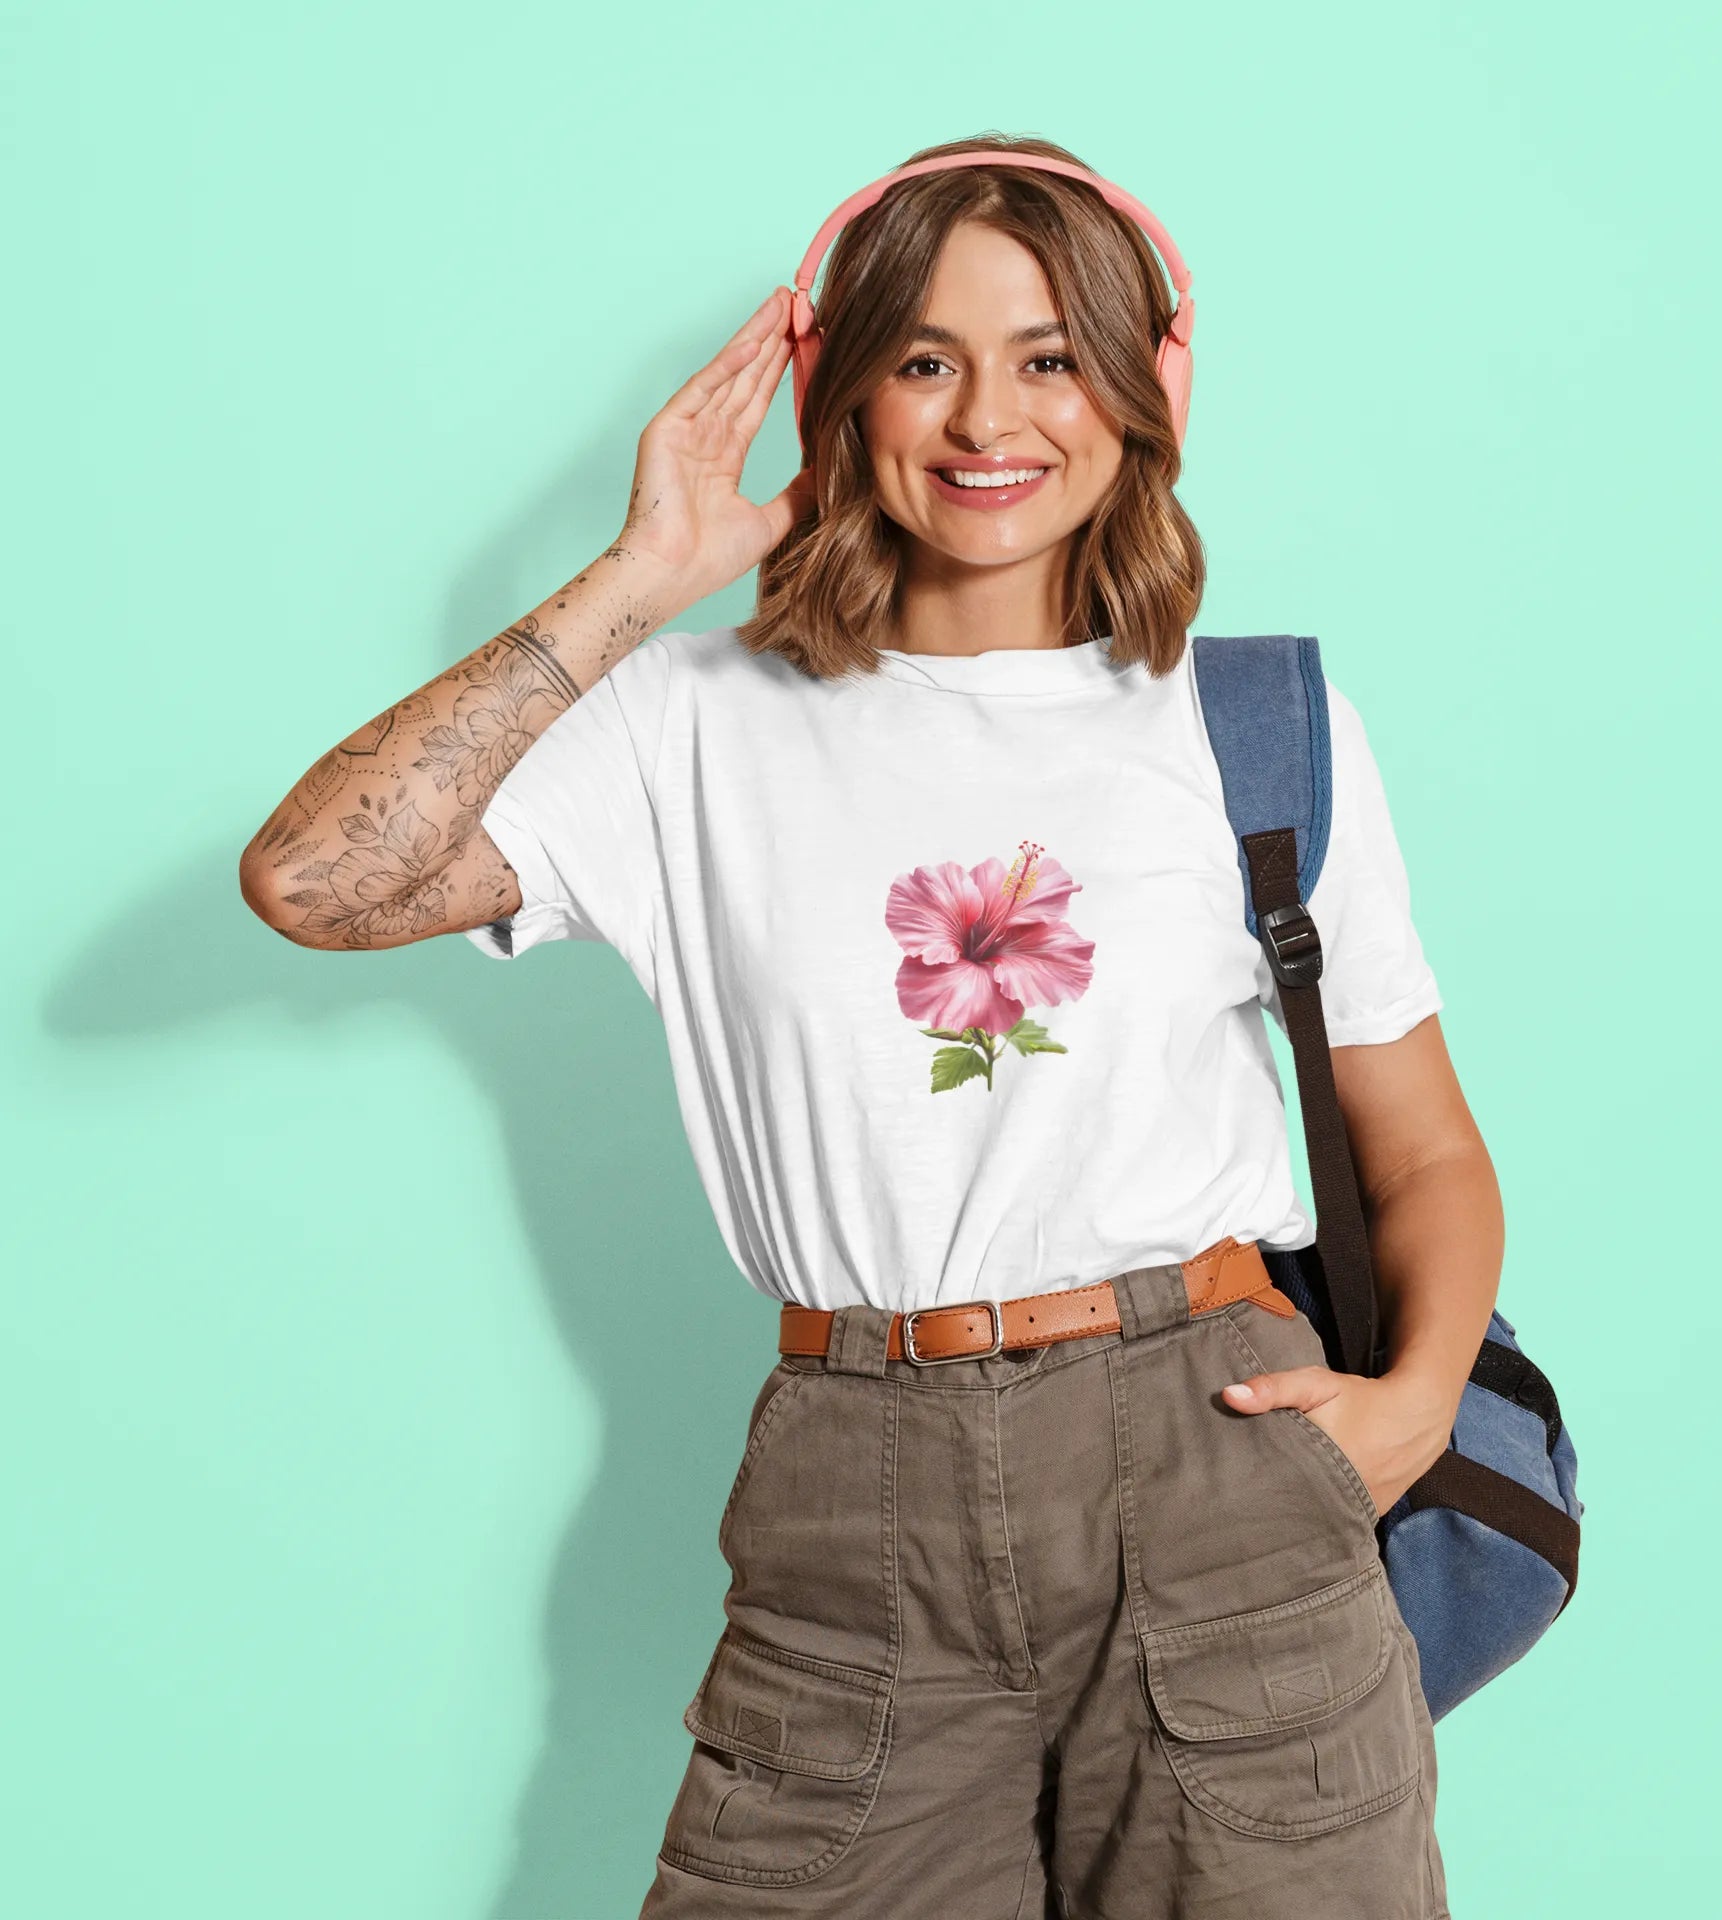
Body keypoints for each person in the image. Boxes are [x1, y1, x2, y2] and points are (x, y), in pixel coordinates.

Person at [240, 131, 1497, 1919]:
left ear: (1147, 387)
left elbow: (1428, 1148)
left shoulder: (1255, 725)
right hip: (858, 1480)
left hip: (1217, 1443)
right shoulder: (687, 724)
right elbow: (319, 883)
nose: (990, 418)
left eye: (1051, 355)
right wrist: (644, 573)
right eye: (927, 359)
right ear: (842, 394)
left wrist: (1409, 1410)